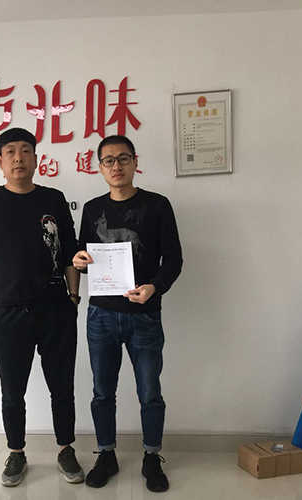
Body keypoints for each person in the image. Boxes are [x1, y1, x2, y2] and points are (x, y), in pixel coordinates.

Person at [0, 128, 84, 487]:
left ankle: (66, 448)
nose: (18, 158)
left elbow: (70, 252)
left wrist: (73, 297)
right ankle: (16, 452)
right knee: (12, 390)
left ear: (36, 158)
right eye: (10, 152)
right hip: (8, 314)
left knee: (62, 386)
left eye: (25, 151)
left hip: (56, 310)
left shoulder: (54, 198)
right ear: (0, 162)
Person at [73, 135, 183, 492]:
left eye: (123, 158)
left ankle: (152, 456)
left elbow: (174, 259)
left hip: (144, 313)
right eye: (108, 160)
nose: (116, 166)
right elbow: (84, 255)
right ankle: (106, 454)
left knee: (149, 391)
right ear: (99, 167)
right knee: (102, 391)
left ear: (135, 162)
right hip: (101, 315)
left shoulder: (157, 205)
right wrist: (79, 261)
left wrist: (154, 287)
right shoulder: (92, 209)